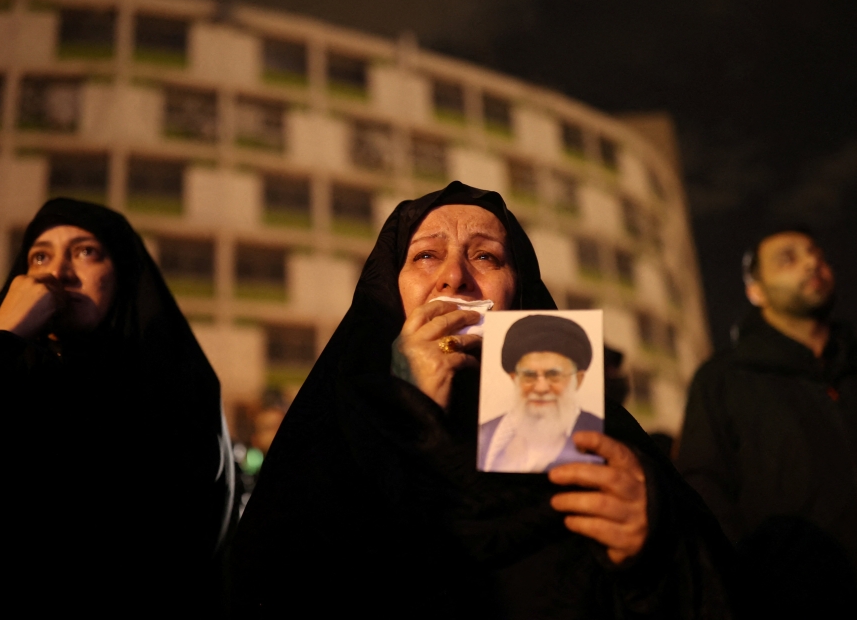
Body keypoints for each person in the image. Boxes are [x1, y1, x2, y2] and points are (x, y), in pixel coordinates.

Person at [229, 182, 737, 618]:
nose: (454, 277)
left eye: (486, 256)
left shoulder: (595, 437)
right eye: (426, 255)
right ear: (389, 290)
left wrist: (653, 545)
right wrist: (405, 408)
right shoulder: (333, 430)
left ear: (520, 292)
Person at [0, 199, 232, 616]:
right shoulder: (7, 378)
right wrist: (2, 334)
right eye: (40, 256)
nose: (58, 273)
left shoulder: (169, 386)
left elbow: (155, 546)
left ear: (122, 273)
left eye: (86, 252)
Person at [677, 229, 857, 619]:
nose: (812, 263)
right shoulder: (722, 380)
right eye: (788, 259)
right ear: (755, 291)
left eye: (816, 254)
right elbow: (704, 493)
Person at [479, 314, 602, 472]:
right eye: (529, 375)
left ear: (578, 380)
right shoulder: (486, 434)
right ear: (514, 378)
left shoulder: (599, 431)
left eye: (554, 375)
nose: (541, 388)